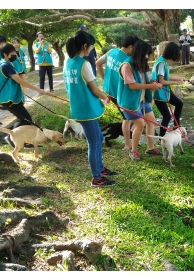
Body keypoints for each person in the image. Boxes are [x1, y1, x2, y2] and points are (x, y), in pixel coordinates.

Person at [64, 30, 117, 187]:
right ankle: (96, 178)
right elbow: (94, 89)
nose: (92, 50)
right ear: (85, 46)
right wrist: (106, 98)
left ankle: (101, 169)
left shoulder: (68, 62)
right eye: (91, 47)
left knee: (99, 139)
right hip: (87, 109)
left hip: (78, 108)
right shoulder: (84, 64)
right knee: (94, 143)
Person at [0, 43, 49, 149]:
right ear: (5, 54)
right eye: (12, 54)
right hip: (9, 99)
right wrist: (39, 90)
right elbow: (21, 81)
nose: (14, 56)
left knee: (24, 119)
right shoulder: (6, 66)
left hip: (12, 98)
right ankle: (15, 139)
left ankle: (14, 138)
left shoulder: (3, 64)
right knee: (26, 119)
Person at [117, 40, 163, 161]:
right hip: (129, 102)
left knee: (151, 120)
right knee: (140, 124)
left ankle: (150, 148)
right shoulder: (126, 65)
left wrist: (153, 82)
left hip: (142, 100)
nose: (147, 56)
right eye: (146, 54)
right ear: (140, 52)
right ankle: (133, 151)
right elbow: (132, 85)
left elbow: (146, 79)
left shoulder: (141, 64)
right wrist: (151, 87)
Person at [96, 35, 140, 151]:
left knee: (127, 117)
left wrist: (104, 79)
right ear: (131, 47)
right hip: (118, 93)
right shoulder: (126, 61)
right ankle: (127, 144)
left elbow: (98, 63)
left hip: (106, 90)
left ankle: (130, 140)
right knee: (127, 117)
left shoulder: (111, 51)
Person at [151, 42, 185, 139]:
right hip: (159, 93)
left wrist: (179, 78)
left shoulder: (163, 61)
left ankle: (176, 126)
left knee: (179, 104)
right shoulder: (161, 63)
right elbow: (161, 81)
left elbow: (167, 76)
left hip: (164, 92)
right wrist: (175, 83)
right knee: (166, 116)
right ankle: (161, 138)